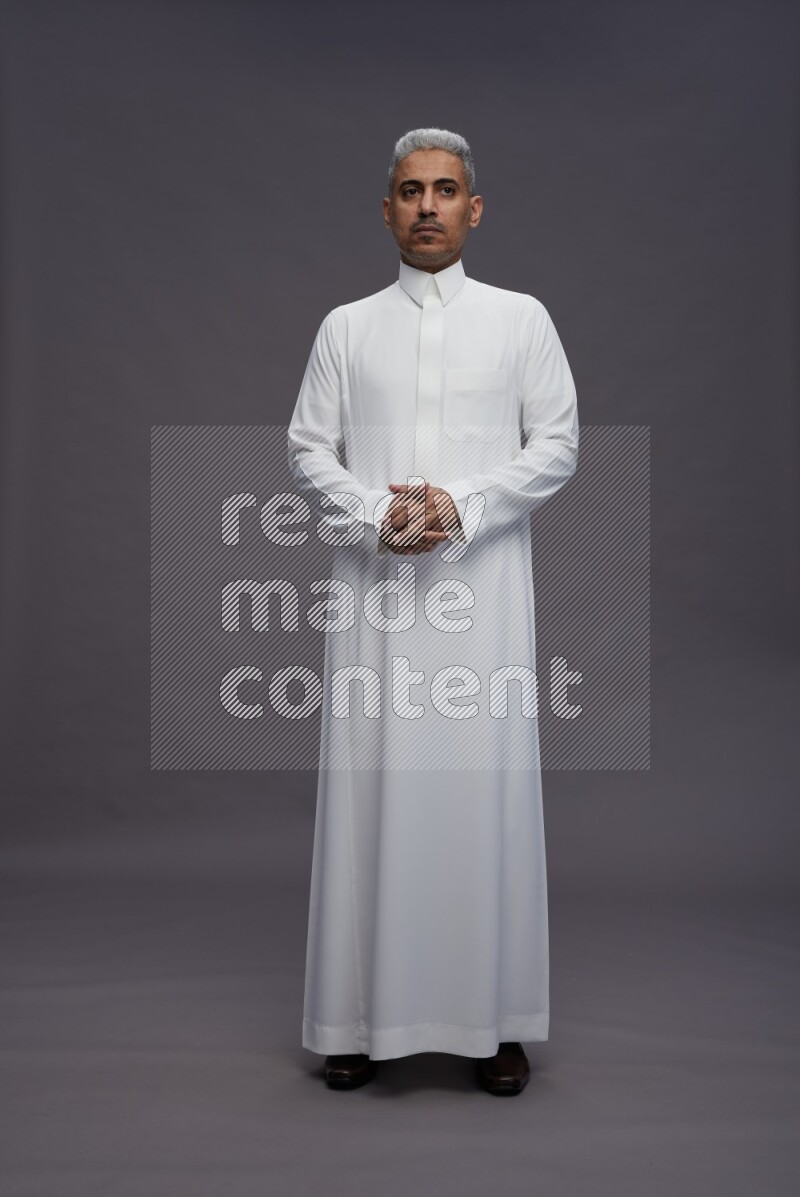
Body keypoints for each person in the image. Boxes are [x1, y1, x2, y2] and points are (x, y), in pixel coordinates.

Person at [287, 127, 579, 1095]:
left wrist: (460, 505)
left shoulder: (521, 320)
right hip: (374, 596)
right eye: (410, 191)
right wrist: (378, 515)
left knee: (482, 793)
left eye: (444, 190)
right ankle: (353, 1020)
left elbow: (557, 443)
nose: (426, 206)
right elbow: (307, 448)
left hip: (481, 596)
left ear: (473, 209)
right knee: (369, 788)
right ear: (386, 211)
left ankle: (494, 1022)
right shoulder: (345, 327)